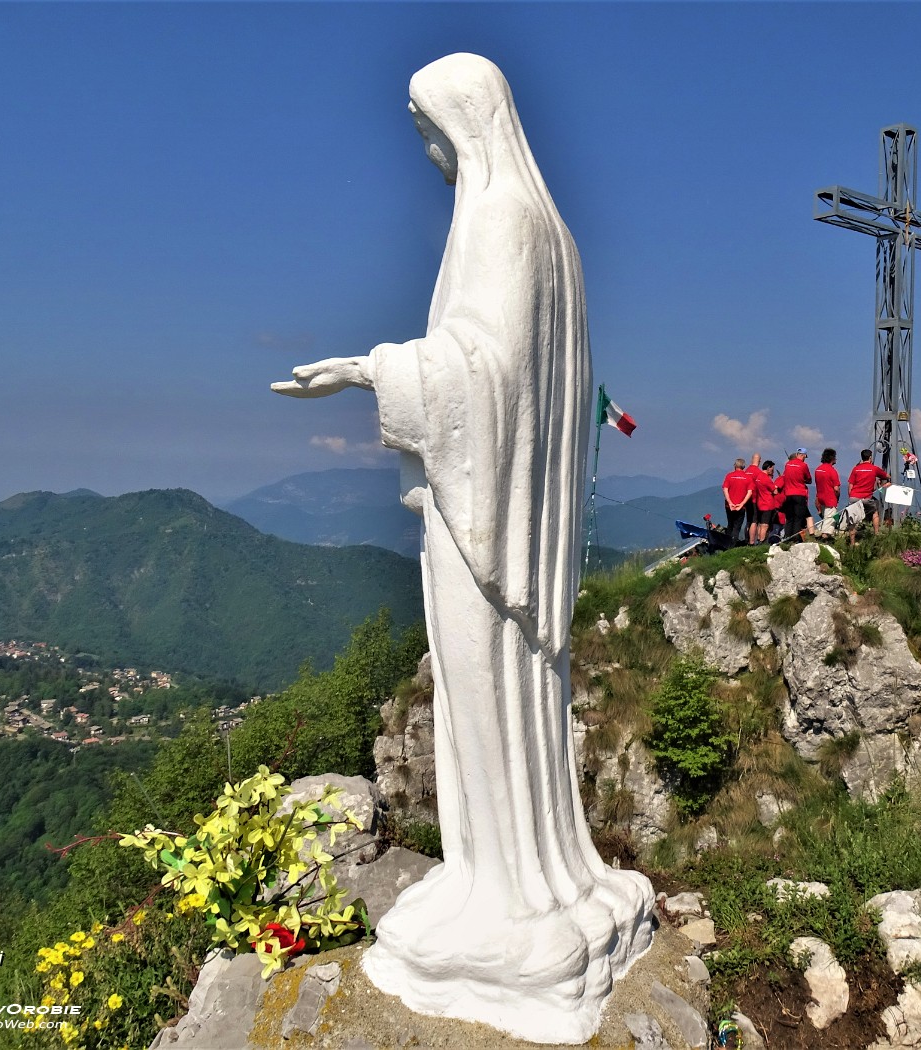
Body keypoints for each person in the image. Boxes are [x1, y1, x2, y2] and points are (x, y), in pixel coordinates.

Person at [273, 54, 653, 1035]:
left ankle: (504, 891)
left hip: (483, 527)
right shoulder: (551, 232)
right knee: (512, 696)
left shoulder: (500, 222)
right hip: (523, 521)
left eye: (425, 132)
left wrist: (366, 369)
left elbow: (478, 375)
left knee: (482, 688)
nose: (427, 153)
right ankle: (525, 870)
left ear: (457, 120)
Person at [846, 448, 891, 540]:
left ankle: (852, 543)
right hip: (866, 497)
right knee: (874, 512)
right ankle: (876, 534)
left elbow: (850, 484)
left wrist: (850, 496)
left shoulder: (856, 469)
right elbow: (887, 476)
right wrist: (883, 481)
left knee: (852, 519)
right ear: (870, 457)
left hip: (854, 496)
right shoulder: (874, 469)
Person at [779, 448, 813, 545]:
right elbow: (808, 479)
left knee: (789, 518)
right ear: (803, 455)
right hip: (799, 494)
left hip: (789, 494)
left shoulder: (787, 464)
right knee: (798, 518)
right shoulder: (803, 465)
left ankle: (787, 538)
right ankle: (796, 539)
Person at [722, 457, 754, 543]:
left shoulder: (729, 476)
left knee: (730, 524)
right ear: (744, 467)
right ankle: (732, 545)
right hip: (741, 507)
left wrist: (730, 502)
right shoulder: (748, 478)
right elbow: (750, 492)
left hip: (729, 506)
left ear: (735, 466)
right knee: (737, 527)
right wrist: (741, 504)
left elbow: (725, 489)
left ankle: (727, 544)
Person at [815, 448, 841, 529]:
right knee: (829, 520)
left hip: (820, 497)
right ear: (832, 458)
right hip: (830, 498)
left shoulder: (818, 469)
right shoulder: (832, 471)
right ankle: (825, 536)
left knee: (824, 518)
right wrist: (837, 496)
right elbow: (836, 488)